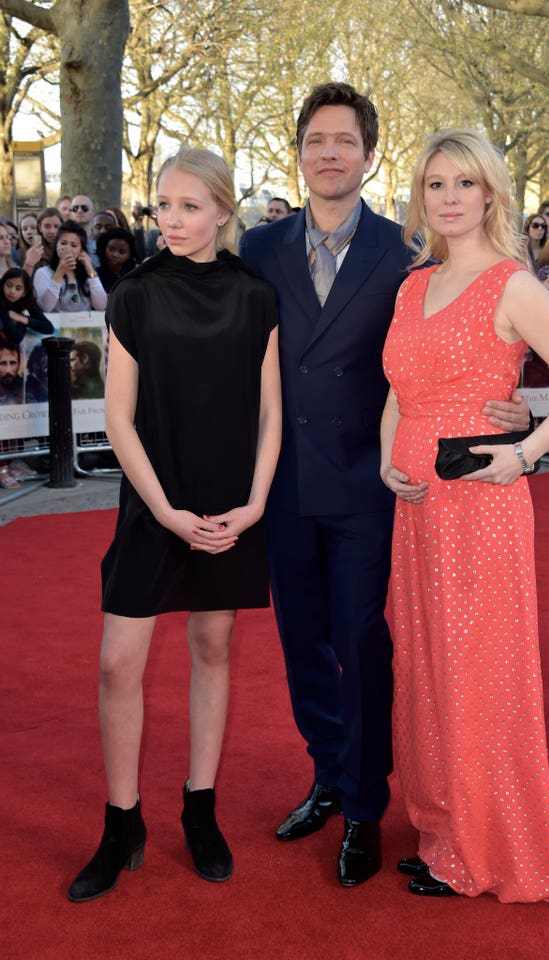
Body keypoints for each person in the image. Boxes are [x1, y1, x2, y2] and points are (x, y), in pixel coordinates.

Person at [240, 82, 530, 887]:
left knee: (365, 646)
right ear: (298, 153)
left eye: (345, 142)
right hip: (287, 485)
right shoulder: (258, 250)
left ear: (368, 156)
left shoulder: (408, 252)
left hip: (377, 488)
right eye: (315, 141)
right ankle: (329, 774)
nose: (329, 154)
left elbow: (475, 333)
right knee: (302, 644)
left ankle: (366, 806)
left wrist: (510, 410)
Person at [380, 128, 549, 903]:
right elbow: (398, 388)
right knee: (428, 665)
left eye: (463, 184)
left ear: (490, 195)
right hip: (416, 506)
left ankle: (487, 849)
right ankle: (445, 830)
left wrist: (527, 451)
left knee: (478, 669)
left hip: (480, 503)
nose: (448, 198)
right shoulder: (414, 285)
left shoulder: (512, 284)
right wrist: (387, 456)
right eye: (435, 184)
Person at [67, 146, 281, 903]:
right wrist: (162, 511)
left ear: (224, 211)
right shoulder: (134, 294)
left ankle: (201, 806)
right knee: (116, 663)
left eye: (190, 206)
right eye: (164, 205)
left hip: (229, 503)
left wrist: (254, 503)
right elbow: (117, 419)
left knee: (213, 644)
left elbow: (270, 412)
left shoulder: (256, 296)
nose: (174, 220)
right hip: (153, 502)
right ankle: (122, 821)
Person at [33, 221, 107, 313]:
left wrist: (90, 270)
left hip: (86, 325)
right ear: (56, 246)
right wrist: (60, 272)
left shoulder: (88, 273)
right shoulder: (43, 273)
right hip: (56, 326)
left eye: (74, 245)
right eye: (63, 243)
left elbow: (101, 306)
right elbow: (45, 308)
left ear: (81, 250)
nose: (68, 249)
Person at [0, 268, 54, 342]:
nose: (12, 291)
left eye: (18, 288)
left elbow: (49, 328)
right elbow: (16, 337)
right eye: (9, 285)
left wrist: (21, 318)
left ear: (24, 292)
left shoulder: (26, 301)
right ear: (3, 285)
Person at [96, 228, 137, 293]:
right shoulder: (96, 276)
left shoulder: (134, 275)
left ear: (130, 255)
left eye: (122, 252)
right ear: (104, 248)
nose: (115, 255)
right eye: (111, 249)